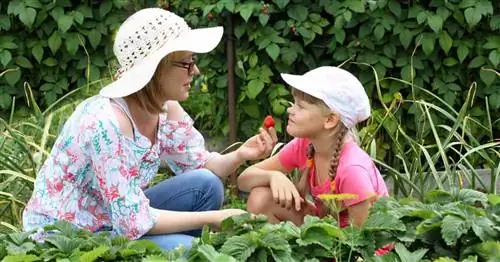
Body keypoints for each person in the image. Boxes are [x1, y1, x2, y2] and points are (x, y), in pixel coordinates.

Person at [22, 8, 278, 251]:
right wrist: (214, 218)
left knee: (206, 184)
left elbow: (200, 166)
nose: (196, 70)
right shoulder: (105, 124)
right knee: (187, 250)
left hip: (114, 218)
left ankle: (174, 250)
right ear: (156, 69)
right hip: (70, 234)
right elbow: (132, 221)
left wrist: (242, 154)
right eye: (187, 63)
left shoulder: (165, 108)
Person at [237, 66, 389, 229]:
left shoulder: (352, 169)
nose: (290, 110)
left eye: (300, 106)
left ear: (330, 120)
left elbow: (363, 240)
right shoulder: (304, 145)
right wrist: (273, 176)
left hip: (351, 244)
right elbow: (243, 180)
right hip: (326, 229)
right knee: (260, 197)